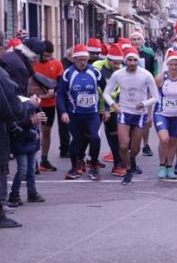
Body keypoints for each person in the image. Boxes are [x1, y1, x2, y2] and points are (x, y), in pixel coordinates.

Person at [0, 40, 41, 230]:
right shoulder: (10, 69)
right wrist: (29, 106)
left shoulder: (10, 62)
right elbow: (11, 105)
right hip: (5, 128)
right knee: (4, 168)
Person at [103, 47, 159, 185]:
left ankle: (132, 159)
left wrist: (144, 103)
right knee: (123, 145)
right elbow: (106, 93)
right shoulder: (118, 74)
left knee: (134, 149)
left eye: (135, 60)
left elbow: (156, 97)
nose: (132, 63)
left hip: (139, 114)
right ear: (125, 60)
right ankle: (128, 171)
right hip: (124, 112)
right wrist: (113, 105)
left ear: (138, 60)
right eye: (129, 60)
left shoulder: (146, 74)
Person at [58, 44, 107, 180]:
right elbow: (61, 94)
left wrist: (107, 109)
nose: (82, 62)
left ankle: (93, 166)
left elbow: (107, 90)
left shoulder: (95, 72)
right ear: (74, 59)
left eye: (85, 59)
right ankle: (75, 167)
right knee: (77, 139)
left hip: (92, 113)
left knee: (95, 138)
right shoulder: (68, 73)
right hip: (74, 114)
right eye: (79, 59)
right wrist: (63, 112)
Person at [154, 51, 177, 179]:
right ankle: (162, 165)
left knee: (173, 141)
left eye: (176, 64)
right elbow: (151, 95)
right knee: (165, 139)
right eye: (171, 64)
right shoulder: (160, 78)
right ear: (167, 64)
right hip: (161, 113)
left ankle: (170, 167)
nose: (174, 67)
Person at [7, 95, 48, 207]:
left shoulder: (26, 103)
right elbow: (19, 124)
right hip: (22, 142)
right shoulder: (21, 104)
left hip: (30, 142)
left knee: (30, 169)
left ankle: (32, 193)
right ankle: (14, 194)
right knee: (23, 170)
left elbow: (38, 121)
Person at [30, 40, 64, 172]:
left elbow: (61, 83)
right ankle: (33, 161)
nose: (47, 58)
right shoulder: (32, 63)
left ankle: (44, 159)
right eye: (44, 55)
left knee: (46, 132)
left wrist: (54, 91)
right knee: (33, 132)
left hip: (49, 103)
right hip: (33, 103)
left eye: (49, 55)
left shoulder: (56, 64)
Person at [93, 44, 126, 176]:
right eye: (115, 63)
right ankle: (90, 162)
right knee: (91, 136)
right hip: (95, 107)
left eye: (120, 63)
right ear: (109, 59)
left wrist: (113, 106)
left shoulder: (121, 70)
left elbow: (117, 90)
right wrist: (105, 108)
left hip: (111, 107)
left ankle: (117, 164)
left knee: (114, 136)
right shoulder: (97, 66)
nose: (118, 65)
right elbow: (97, 88)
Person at [131, 31, 159, 157]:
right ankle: (133, 144)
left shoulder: (149, 52)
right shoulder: (128, 52)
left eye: (138, 39)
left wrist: (153, 82)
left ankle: (146, 145)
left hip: (146, 87)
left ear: (143, 41)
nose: (136, 41)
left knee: (147, 117)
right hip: (131, 88)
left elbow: (155, 67)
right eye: (134, 39)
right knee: (133, 115)